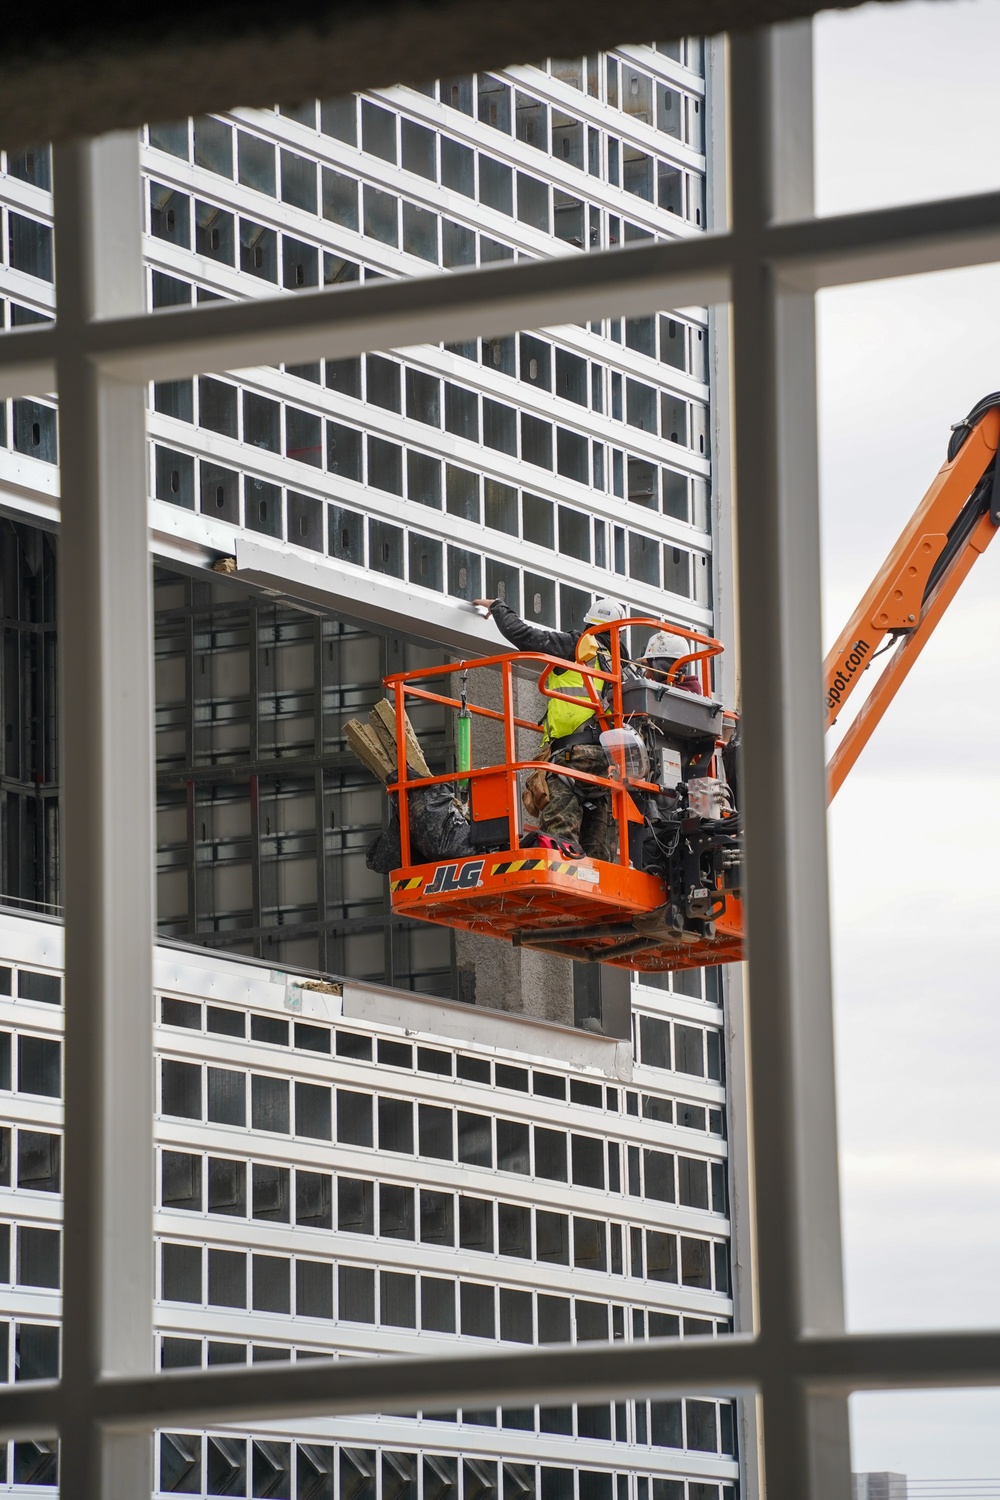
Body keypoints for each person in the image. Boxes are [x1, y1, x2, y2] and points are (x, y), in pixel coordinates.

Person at [473, 595, 627, 859]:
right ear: (619, 633)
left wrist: (499, 606)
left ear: (589, 624)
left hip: (574, 754)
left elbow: (524, 635)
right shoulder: (622, 667)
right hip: (610, 760)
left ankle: (561, 860)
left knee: (559, 845)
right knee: (598, 845)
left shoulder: (577, 646)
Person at [638, 629, 703, 695]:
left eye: (648, 666)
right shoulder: (691, 694)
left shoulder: (659, 695)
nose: (645, 674)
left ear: (661, 666)